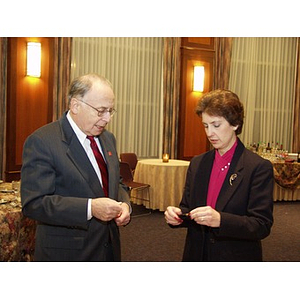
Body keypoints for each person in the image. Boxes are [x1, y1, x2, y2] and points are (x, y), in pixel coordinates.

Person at [21, 73, 131, 261]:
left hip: (108, 248)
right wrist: (90, 208)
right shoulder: (43, 141)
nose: (107, 119)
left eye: (111, 111)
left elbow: (116, 183)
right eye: (101, 110)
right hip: (68, 252)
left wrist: (125, 205)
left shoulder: (108, 139)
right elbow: (34, 204)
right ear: (75, 105)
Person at [165, 89, 274, 261]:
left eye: (216, 125)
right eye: (205, 126)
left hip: (234, 256)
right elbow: (188, 207)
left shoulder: (258, 167)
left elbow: (261, 225)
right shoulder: (198, 163)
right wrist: (178, 216)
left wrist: (221, 220)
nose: (209, 133)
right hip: (197, 254)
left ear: (235, 124)